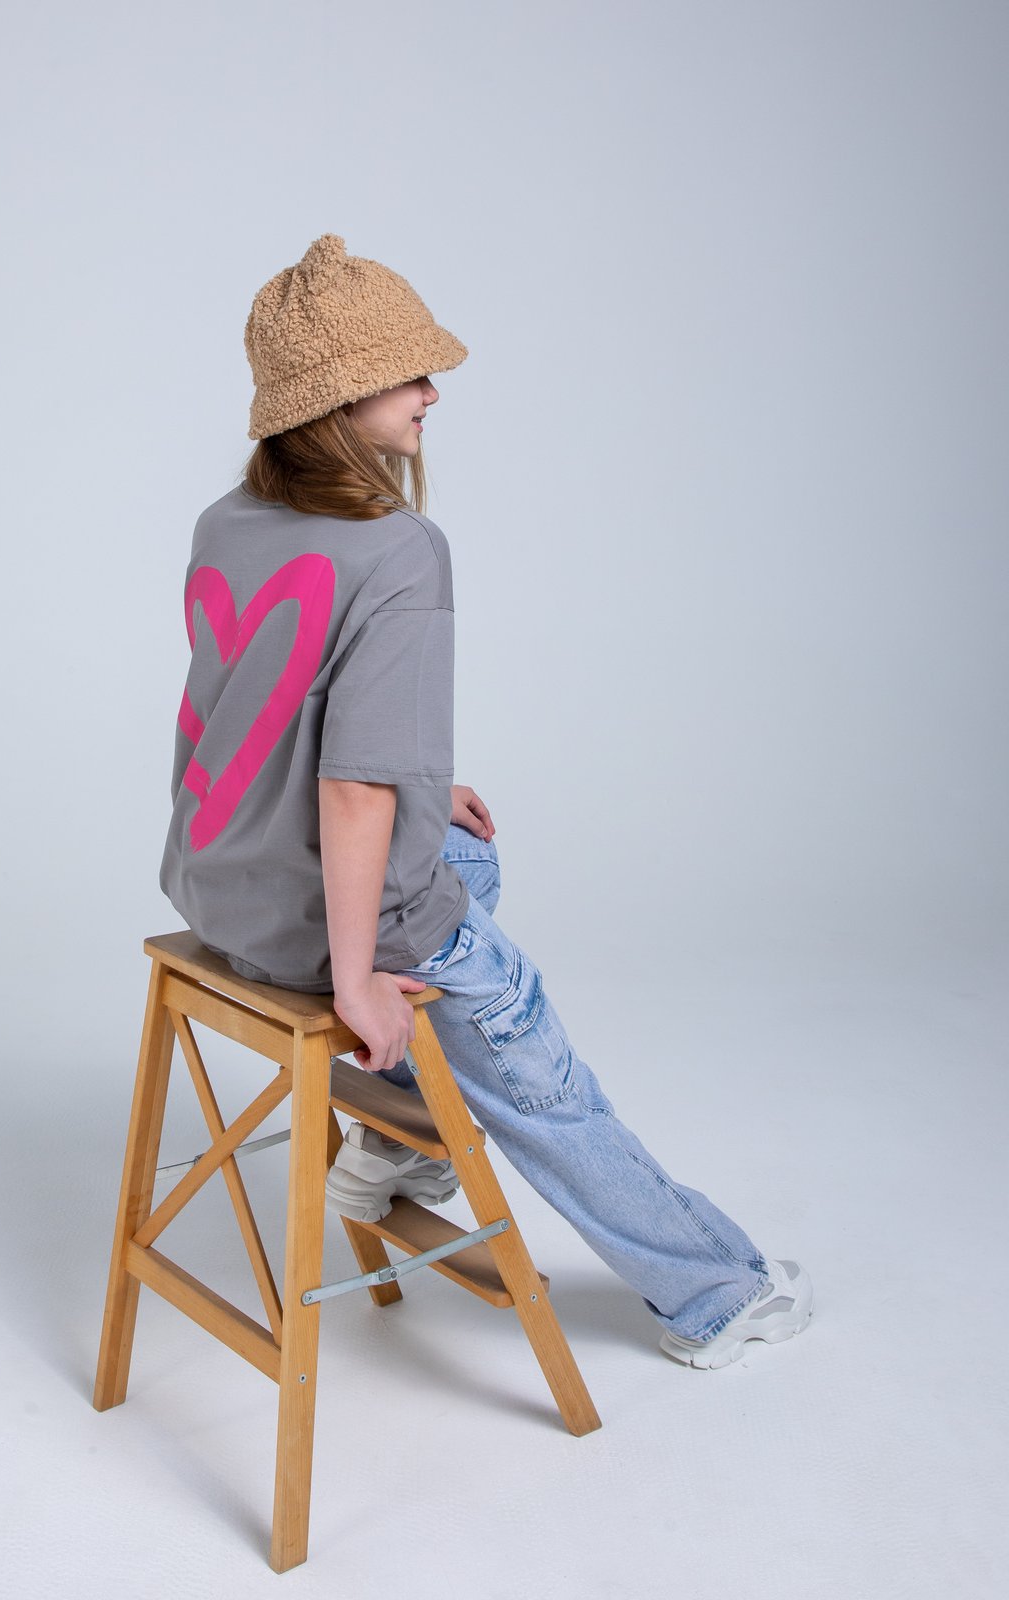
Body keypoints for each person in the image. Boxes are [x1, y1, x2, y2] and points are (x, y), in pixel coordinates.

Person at [158, 232, 813, 1370]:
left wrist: (424, 781)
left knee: (474, 859)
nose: (432, 392)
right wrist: (358, 980)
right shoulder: (400, 549)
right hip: (325, 934)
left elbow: (263, 706)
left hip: (223, 898)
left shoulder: (228, 520)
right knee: (541, 1080)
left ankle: (400, 1145)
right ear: (340, 399)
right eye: (409, 375)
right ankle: (716, 1293)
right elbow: (354, 786)